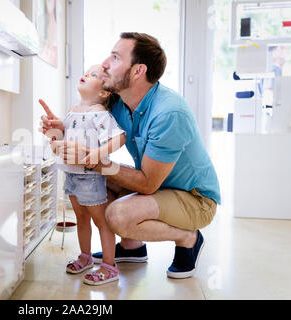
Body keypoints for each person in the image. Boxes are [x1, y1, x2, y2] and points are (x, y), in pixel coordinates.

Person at [40, 32, 221, 279]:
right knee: (98, 179)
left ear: (138, 71)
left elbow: (147, 183)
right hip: (161, 187)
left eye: (115, 57)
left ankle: (188, 237)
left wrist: (91, 159)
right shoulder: (118, 102)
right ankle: (131, 247)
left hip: (195, 199)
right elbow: (87, 121)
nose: (104, 63)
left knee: (117, 213)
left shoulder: (168, 113)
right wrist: (60, 127)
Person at [42, 64, 126, 285]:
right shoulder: (73, 111)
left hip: (90, 176)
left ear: (104, 92)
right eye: (87, 72)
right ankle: (86, 257)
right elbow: (66, 136)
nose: (86, 75)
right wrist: (55, 134)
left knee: (101, 221)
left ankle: (109, 266)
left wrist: (98, 153)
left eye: (94, 75)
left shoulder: (98, 113)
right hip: (71, 175)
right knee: (80, 218)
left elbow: (119, 137)